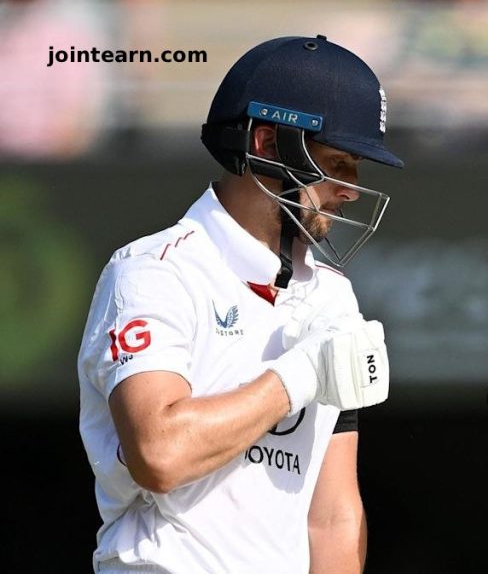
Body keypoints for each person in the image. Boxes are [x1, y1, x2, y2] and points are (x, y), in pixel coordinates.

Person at [78, 35, 402, 574]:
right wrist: (297, 376)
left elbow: (332, 517)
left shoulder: (332, 295)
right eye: (338, 162)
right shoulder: (152, 271)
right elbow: (159, 455)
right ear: (268, 143)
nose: (351, 189)